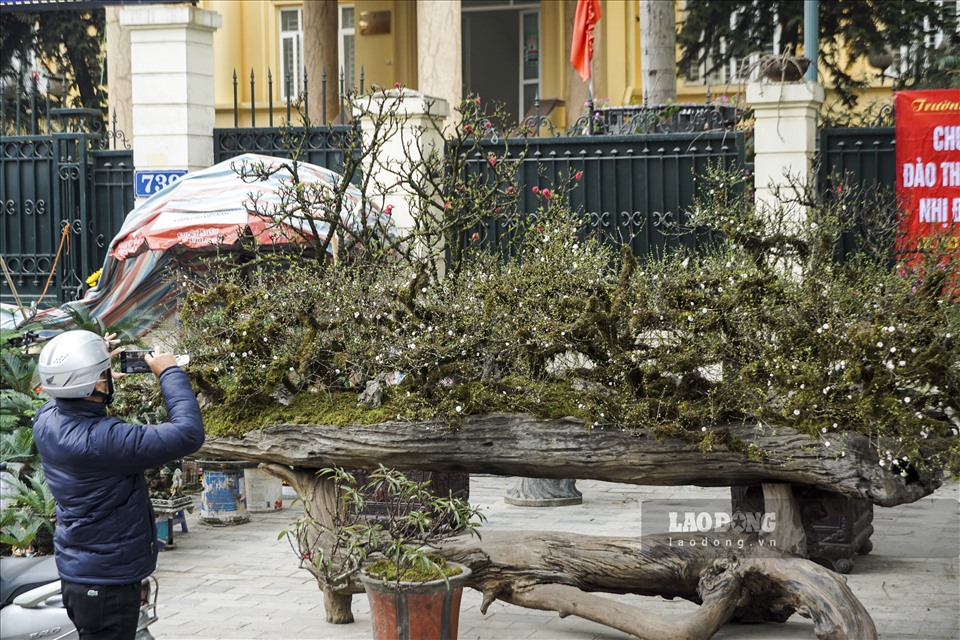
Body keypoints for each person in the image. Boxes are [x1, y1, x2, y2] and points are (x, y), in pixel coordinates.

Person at [32, 329, 204, 640]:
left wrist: (93, 363)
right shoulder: (106, 439)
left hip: (82, 572)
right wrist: (169, 373)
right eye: (104, 373)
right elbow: (188, 433)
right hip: (107, 583)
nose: (109, 374)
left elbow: (63, 390)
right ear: (95, 383)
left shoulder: (47, 420)